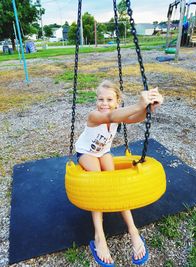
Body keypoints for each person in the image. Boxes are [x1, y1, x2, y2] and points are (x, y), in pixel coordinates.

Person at [75, 80, 164, 266]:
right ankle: (99, 237)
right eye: (100, 99)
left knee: (117, 188)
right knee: (98, 186)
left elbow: (134, 118)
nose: (104, 103)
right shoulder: (94, 116)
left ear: (117, 101)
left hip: (103, 152)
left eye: (109, 99)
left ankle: (133, 231)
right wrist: (139, 104)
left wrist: (149, 107)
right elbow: (111, 116)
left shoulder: (116, 115)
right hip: (87, 153)